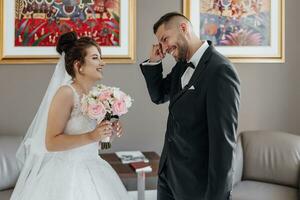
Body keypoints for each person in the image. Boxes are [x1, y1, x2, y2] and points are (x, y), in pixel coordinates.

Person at [11, 32, 131, 200]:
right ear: (78, 65)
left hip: (95, 168)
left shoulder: (96, 95)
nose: (103, 63)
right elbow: (51, 142)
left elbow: (97, 141)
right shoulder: (66, 93)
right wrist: (91, 136)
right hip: (67, 174)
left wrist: (107, 132)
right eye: (95, 58)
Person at [140, 12, 240, 200]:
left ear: (183, 28)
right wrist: (154, 62)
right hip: (168, 177)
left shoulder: (220, 71)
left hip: (196, 186)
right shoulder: (181, 66)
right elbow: (159, 95)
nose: (164, 47)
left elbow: (223, 146)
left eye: (164, 39)